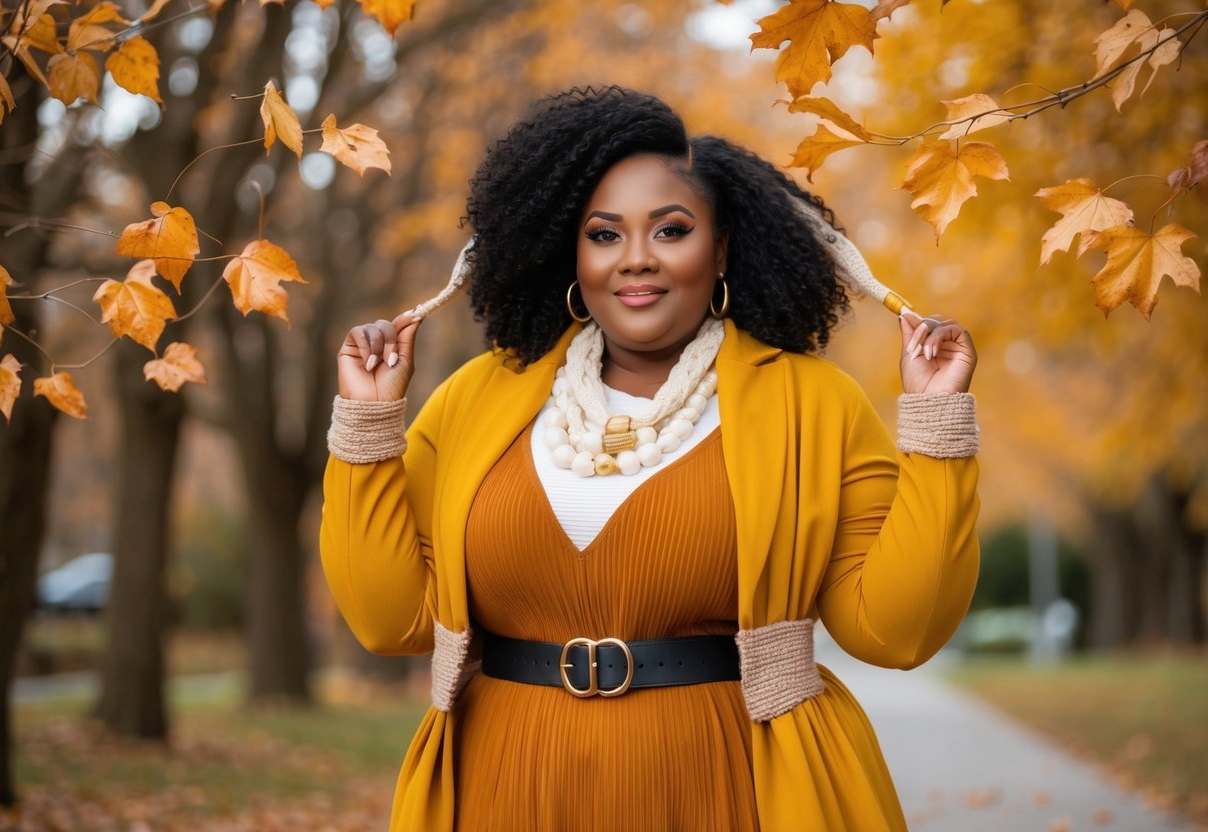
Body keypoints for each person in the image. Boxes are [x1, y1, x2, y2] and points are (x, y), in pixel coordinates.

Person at [320, 86, 980, 831]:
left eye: (670, 230)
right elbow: (388, 620)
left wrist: (936, 423)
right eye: (604, 235)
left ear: (721, 247)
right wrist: (367, 424)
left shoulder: (814, 405)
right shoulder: (476, 399)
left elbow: (894, 632)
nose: (635, 260)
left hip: (730, 784)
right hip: (503, 784)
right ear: (567, 250)